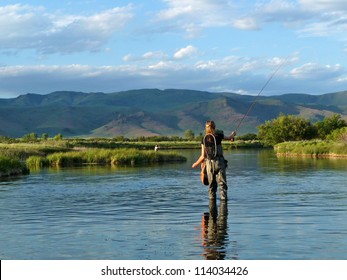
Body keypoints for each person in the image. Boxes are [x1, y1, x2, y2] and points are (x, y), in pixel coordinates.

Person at [192, 120, 236, 200]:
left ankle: (212, 204)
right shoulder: (219, 136)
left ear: (206, 128)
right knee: (222, 184)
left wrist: (196, 164)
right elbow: (230, 138)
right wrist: (233, 134)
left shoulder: (204, 139)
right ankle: (224, 202)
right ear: (214, 127)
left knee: (212, 185)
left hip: (209, 164)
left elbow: (203, 156)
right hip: (219, 163)